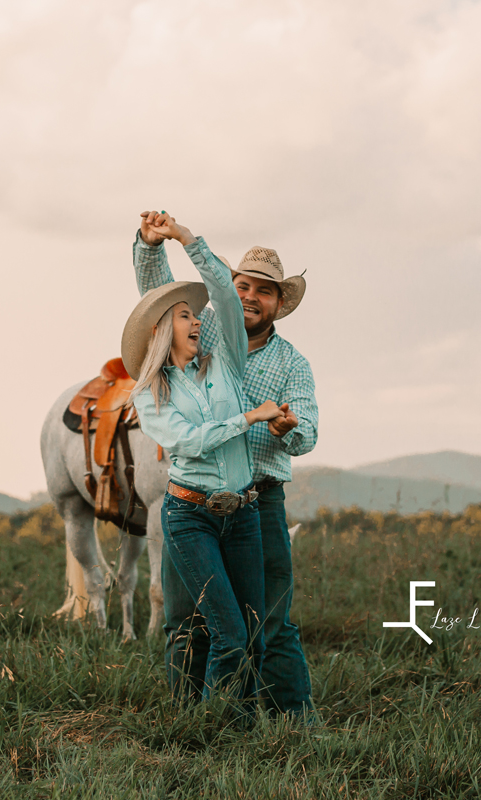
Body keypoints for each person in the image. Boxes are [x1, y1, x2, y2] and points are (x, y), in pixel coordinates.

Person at [134, 211, 318, 717]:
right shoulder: (207, 340)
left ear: (280, 303)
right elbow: (162, 303)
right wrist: (153, 246)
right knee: (185, 620)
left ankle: (288, 716)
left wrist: (288, 429)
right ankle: (187, 721)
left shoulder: (285, 362)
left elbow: (309, 436)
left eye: (265, 290)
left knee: (266, 621)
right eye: (243, 285)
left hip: (256, 501)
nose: (251, 297)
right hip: (192, 501)